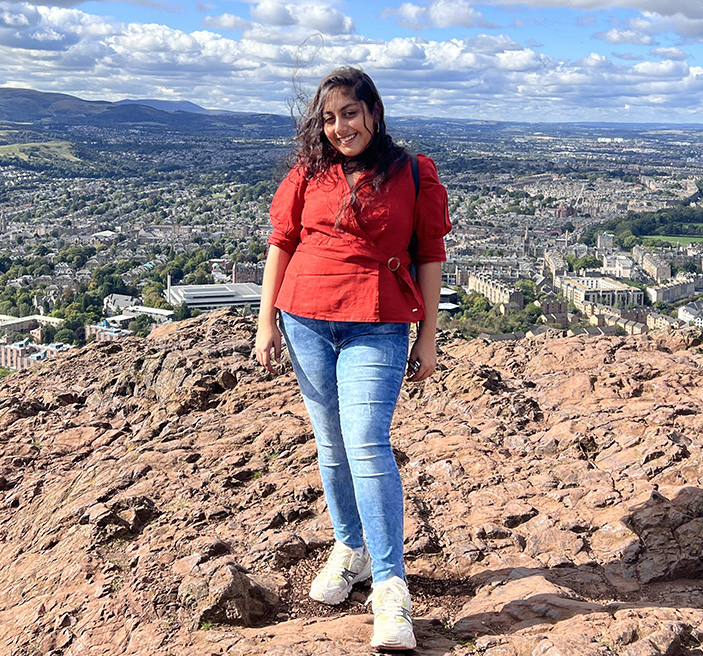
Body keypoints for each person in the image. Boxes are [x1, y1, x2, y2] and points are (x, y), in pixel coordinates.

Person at [254, 66, 450, 651]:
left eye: (351, 113)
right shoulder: (308, 172)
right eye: (330, 117)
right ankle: (350, 548)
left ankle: (392, 588)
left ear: (374, 113)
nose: (341, 126)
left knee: (366, 443)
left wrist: (428, 336)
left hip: (379, 319)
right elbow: (281, 243)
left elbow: (429, 254)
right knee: (331, 443)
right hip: (305, 317)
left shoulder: (413, 173)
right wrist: (266, 320)